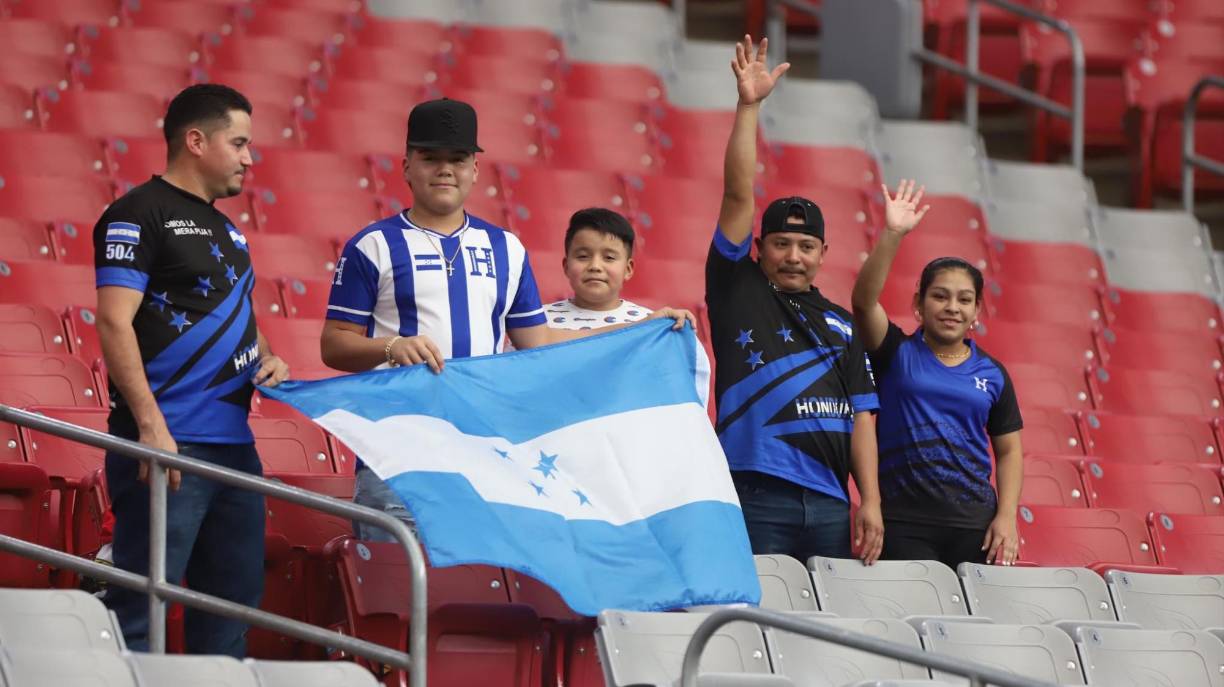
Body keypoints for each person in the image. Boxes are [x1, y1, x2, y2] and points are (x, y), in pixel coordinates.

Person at [321, 98, 694, 540]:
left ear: (475, 169)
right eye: (430, 158)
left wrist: (640, 328)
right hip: (398, 455)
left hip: (482, 457)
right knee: (397, 595)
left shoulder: (506, 249)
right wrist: (390, 347)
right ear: (406, 166)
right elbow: (334, 345)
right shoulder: (371, 246)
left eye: (457, 159)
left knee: (472, 597)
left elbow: (537, 342)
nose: (445, 170)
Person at [94, 84, 290, 656]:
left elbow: (239, 312)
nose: (249, 158)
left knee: (230, 611)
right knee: (141, 611)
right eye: (240, 143)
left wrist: (268, 354)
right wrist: (152, 428)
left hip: (235, 451)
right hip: (168, 446)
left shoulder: (228, 229)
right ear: (196, 141)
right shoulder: (136, 213)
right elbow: (113, 322)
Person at [707, 36, 884, 565]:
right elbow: (739, 194)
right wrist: (748, 107)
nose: (793, 255)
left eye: (806, 246)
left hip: (831, 504)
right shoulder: (736, 289)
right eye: (781, 243)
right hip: (756, 496)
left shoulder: (842, 325)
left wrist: (869, 500)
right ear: (758, 250)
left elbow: (863, 419)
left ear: (824, 253)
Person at [850, 180, 1024, 568]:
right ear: (918, 304)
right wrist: (893, 234)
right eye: (940, 296)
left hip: (974, 526)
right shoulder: (894, 351)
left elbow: (1009, 450)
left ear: (977, 311)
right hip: (902, 522)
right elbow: (862, 303)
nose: (952, 307)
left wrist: (1007, 516)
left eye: (965, 300)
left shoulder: (992, 374)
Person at [546, 207, 710, 405]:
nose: (595, 266)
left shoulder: (654, 328)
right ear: (565, 266)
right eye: (583, 256)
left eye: (609, 258)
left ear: (628, 269)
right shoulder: (537, 323)